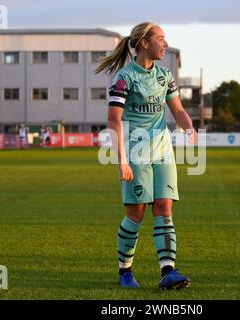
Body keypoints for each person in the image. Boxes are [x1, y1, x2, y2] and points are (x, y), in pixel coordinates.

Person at [95, 22, 196, 290]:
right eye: (160, 39)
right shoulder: (124, 78)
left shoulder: (165, 75)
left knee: (164, 209)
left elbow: (178, 109)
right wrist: (122, 160)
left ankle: (168, 272)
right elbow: (113, 121)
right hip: (135, 152)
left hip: (163, 151)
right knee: (136, 213)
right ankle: (125, 272)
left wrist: (189, 127)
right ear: (144, 43)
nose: (165, 44)